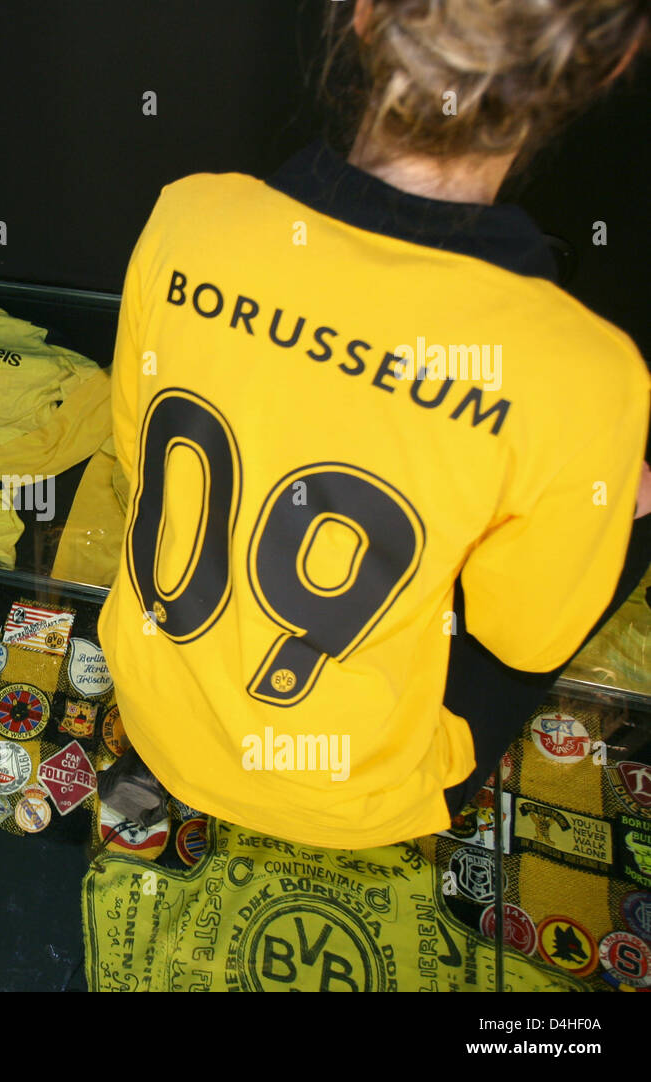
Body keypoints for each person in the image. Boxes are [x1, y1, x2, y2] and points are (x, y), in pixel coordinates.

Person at [97, 0, 651, 849]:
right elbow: (525, 640)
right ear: (609, 64)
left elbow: (140, 463)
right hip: (352, 800)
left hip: (150, 706)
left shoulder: (187, 218)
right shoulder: (589, 374)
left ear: (363, 16)